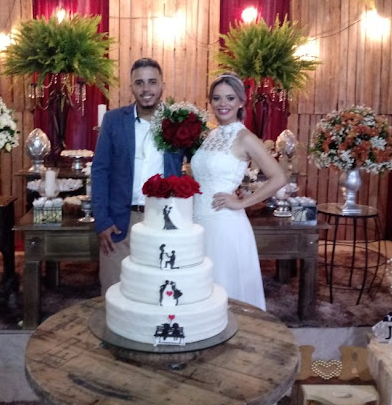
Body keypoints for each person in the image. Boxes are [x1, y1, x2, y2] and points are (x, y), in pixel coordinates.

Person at [190, 73, 287, 310]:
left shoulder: (245, 138)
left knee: (224, 290)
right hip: (198, 221)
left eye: (230, 98)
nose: (222, 103)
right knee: (201, 291)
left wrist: (242, 203)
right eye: (217, 98)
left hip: (224, 225)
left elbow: (279, 177)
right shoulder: (211, 135)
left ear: (241, 102)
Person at [91, 58, 184, 295]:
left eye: (152, 82)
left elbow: (202, 161)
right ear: (131, 87)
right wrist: (102, 220)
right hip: (119, 222)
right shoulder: (113, 121)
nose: (146, 89)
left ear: (162, 85)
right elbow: (100, 170)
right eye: (139, 83)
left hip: (162, 220)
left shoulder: (178, 122)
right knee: (114, 292)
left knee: (156, 293)